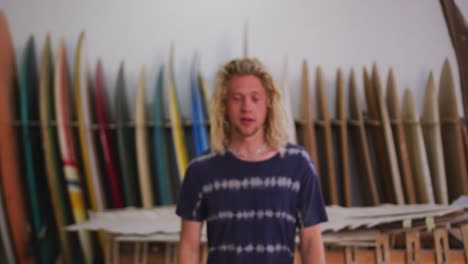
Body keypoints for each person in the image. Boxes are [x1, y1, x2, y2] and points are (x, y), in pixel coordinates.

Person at [176, 58, 328, 264]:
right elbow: (189, 246)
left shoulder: (298, 165)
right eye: (237, 98)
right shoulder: (200, 170)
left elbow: (311, 241)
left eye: (256, 98)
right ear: (224, 105)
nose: (247, 107)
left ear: (268, 104)